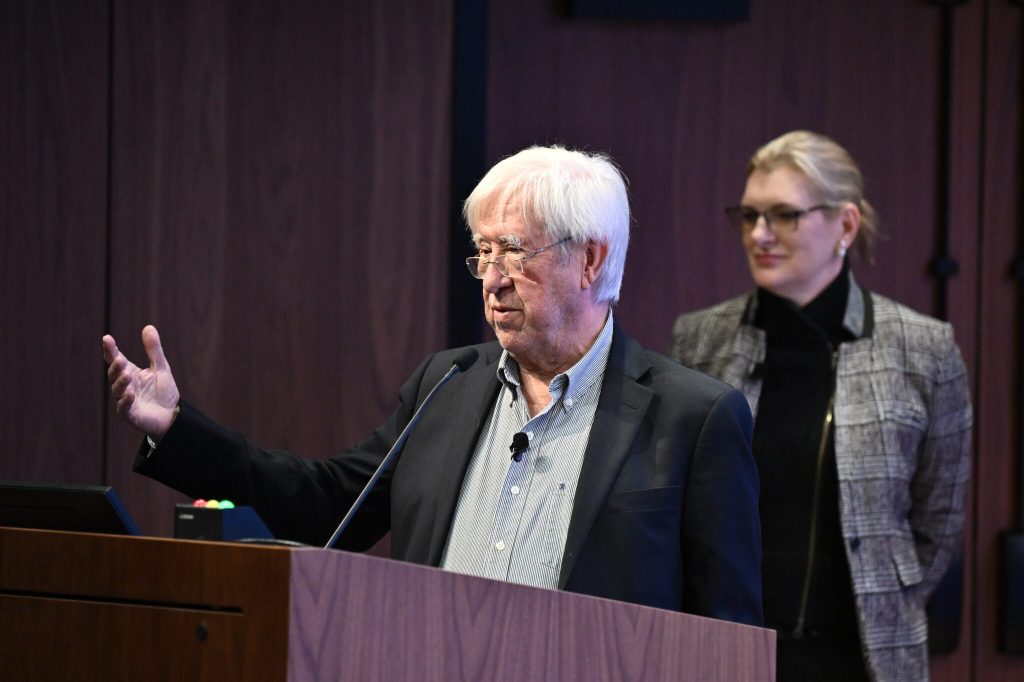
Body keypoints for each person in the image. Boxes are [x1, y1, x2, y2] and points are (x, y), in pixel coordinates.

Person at [103, 145, 763, 626]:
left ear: (589, 258)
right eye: (483, 251)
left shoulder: (693, 417)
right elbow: (324, 504)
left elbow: (728, 634)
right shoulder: (447, 385)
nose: (491, 277)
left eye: (514, 251)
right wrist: (178, 428)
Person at [668, 131, 971, 681]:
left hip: (862, 656)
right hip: (729, 648)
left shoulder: (922, 348)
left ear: (845, 226)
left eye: (784, 215)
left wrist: (885, 594)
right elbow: (681, 502)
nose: (760, 234)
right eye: (750, 215)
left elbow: (939, 523)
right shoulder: (700, 339)